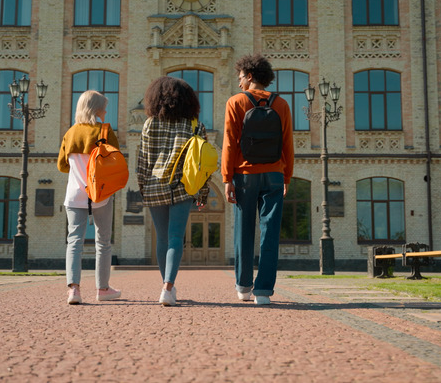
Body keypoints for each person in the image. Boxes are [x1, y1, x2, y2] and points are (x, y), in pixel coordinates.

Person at [222, 54, 294, 305]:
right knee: (270, 232)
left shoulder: (236, 102)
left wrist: (226, 178)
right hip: (274, 174)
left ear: (250, 76)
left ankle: (243, 287)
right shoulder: (282, 104)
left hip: (244, 175)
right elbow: (287, 144)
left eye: (241, 77)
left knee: (243, 231)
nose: (239, 82)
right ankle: (263, 292)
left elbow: (230, 143)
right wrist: (286, 175)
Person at [137, 76, 210, 306]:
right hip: (183, 186)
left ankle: (166, 287)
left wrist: (142, 187)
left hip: (155, 186)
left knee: (162, 238)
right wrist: (203, 193)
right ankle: (168, 287)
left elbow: (143, 160)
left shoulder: (149, 123)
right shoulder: (195, 125)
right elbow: (202, 164)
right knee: (176, 237)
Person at [57, 90, 122, 305]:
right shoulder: (105, 130)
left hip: (75, 193)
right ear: (96, 108)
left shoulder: (71, 133)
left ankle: (73, 290)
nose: (106, 109)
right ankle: (102, 289)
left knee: (74, 240)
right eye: (103, 105)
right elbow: (115, 161)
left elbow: (62, 165)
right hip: (101, 192)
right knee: (103, 241)